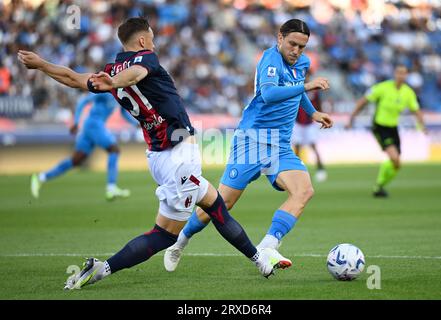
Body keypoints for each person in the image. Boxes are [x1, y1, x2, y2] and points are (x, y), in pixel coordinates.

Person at [18, 17, 291, 290]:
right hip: (179, 155)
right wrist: (114, 82)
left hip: (161, 156)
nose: (154, 41)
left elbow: (73, 78)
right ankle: (102, 269)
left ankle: (259, 260)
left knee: (216, 206)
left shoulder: (111, 69)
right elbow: (135, 74)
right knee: (164, 235)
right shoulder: (144, 59)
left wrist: (42, 64)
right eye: (152, 36)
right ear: (142, 41)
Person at [164, 19, 333, 272]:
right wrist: (307, 85)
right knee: (222, 203)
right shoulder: (270, 60)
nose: (296, 51)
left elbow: (295, 93)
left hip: (279, 146)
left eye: (302, 46)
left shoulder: (302, 63)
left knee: (304, 191)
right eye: (292, 44)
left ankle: (268, 245)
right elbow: (270, 94)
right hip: (251, 142)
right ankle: (180, 240)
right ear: (279, 38)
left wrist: (312, 112)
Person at [30, 92, 136, 201]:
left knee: (76, 160)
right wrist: (76, 122)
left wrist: (136, 123)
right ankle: (111, 188)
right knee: (114, 150)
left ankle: (41, 177)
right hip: (93, 124)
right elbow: (83, 101)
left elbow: (123, 112)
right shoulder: (106, 90)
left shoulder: (120, 94)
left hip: (92, 126)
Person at [345, 65, 427, 197]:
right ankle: (378, 186)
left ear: (407, 76)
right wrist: (351, 118)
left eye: (404, 73)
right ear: (395, 74)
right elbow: (363, 101)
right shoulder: (382, 87)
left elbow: (416, 110)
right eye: (399, 73)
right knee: (394, 157)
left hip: (393, 127)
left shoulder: (408, 92)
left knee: (397, 164)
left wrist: (422, 125)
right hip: (380, 126)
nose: (401, 76)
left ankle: (379, 187)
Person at [291, 74, 327, 182]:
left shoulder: (314, 91)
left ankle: (321, 169)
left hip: (309, 124)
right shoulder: (295, 88)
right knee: (297, 148)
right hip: (297, 123)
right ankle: (297, 171)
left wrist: (321, 116)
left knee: (314, 146)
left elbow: (319, 105)